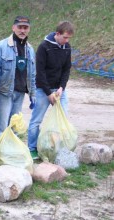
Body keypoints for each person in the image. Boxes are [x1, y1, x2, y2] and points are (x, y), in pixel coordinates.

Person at [28, 21, 75, 159]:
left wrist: (61, 88)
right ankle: (32, 149)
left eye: (69, 38)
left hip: (59, 89)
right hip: (43, 90)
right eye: (65, 37)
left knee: (63, 118)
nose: (66, 41)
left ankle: (59, 148)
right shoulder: (44, 47)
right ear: (57, 34)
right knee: (36, 120)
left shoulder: (67, 47)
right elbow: (40, 72)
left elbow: (66, 69)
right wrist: (48, 93)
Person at [0, 15, 36, 137]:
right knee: (1, 128)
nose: (23, 30)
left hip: (20, 94)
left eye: (26, 28)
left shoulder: (30, 49)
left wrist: (33, 93)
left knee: (14, 127)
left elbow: (33, 73)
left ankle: (10, 153)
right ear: (13, 28)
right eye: (20, 27)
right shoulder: (1, 46)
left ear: (29, 29)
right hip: (4, 93)